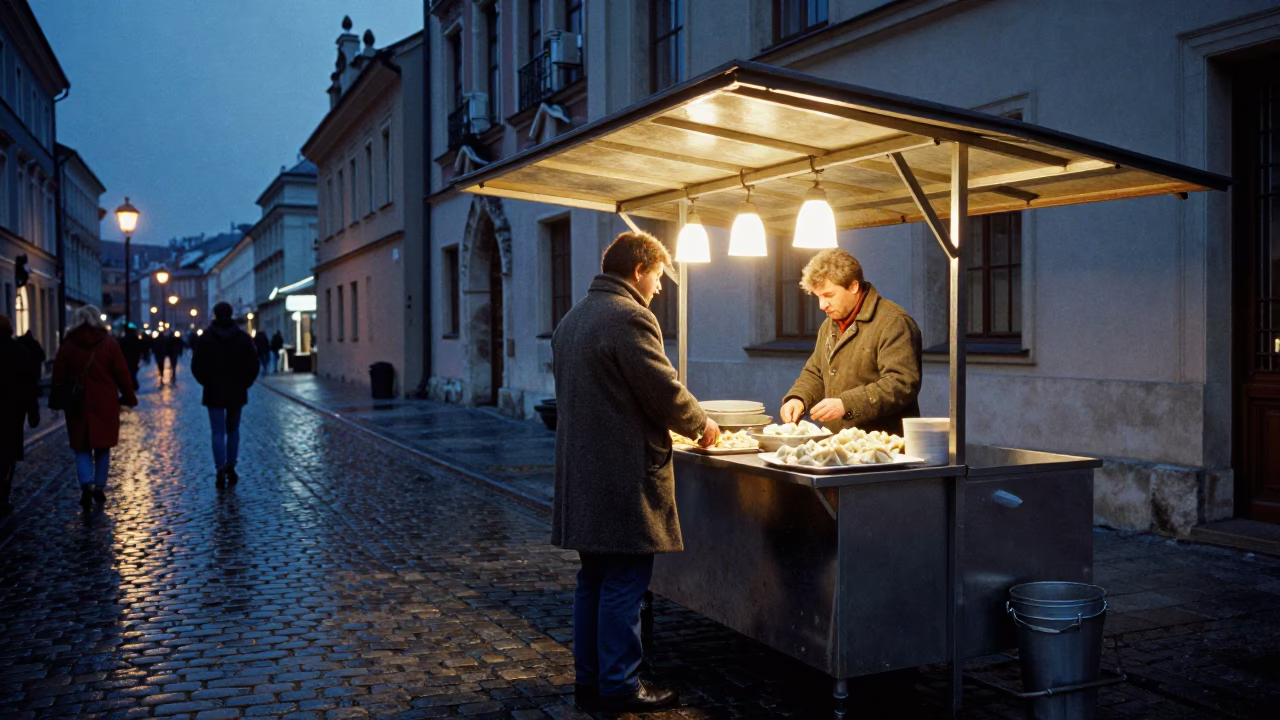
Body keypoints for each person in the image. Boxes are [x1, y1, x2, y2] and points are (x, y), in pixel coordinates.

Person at [551, 231, 719, 713]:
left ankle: (591, 681)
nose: (661, 288)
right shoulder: (628, 317)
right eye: (660, 276)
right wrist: (701, 424)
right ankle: (621, 685)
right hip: (621, 474)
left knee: (594, 580)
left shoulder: (572, 318)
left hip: (584, 473)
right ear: (640, 269)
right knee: (625, 581)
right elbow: (661, 388)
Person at [779, 248, 922, 435]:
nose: (822, 305)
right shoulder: (828, 325)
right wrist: (798, 398)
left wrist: (847, 404)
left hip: (884, 448)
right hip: (837, 443)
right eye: (818, 296)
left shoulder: (894, 322)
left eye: (829, 295)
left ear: (853, 287)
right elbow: (816, 372)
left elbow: (902, 384)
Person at [52, 305, 138, 510]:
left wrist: (57, 400)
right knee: (103, 447)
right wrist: (129, 397)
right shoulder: (109, 344)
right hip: (105, 402)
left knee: (81, 447)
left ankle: (86, 484)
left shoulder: (68, 344)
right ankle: (99, 486)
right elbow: (122, 374)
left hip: (77, 404)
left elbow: (58, 376)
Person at [192, 302, 260, 488]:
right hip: (236, 390)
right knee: (233, 429)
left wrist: (206, 382)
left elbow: (196, 366)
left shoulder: (206, 338)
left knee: (217, 431)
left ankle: (220, 467)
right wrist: (245, 383)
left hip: (214, 390)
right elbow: (253, 364)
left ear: (215, 314)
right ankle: (231, 465)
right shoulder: (243, 338)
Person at [0, 315, 40, 515]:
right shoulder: (19, 351)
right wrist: (33, 410)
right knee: (8, 452)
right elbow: (29, 383)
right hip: (12, 410)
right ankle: (3, 495)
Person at [119, 326, 142, 391]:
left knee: (130, 373)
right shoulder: (135, 339)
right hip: (134, 359)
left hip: (127, 359)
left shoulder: (124, 340)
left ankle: (132, 385)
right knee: (132, 373)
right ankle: (134, 385)